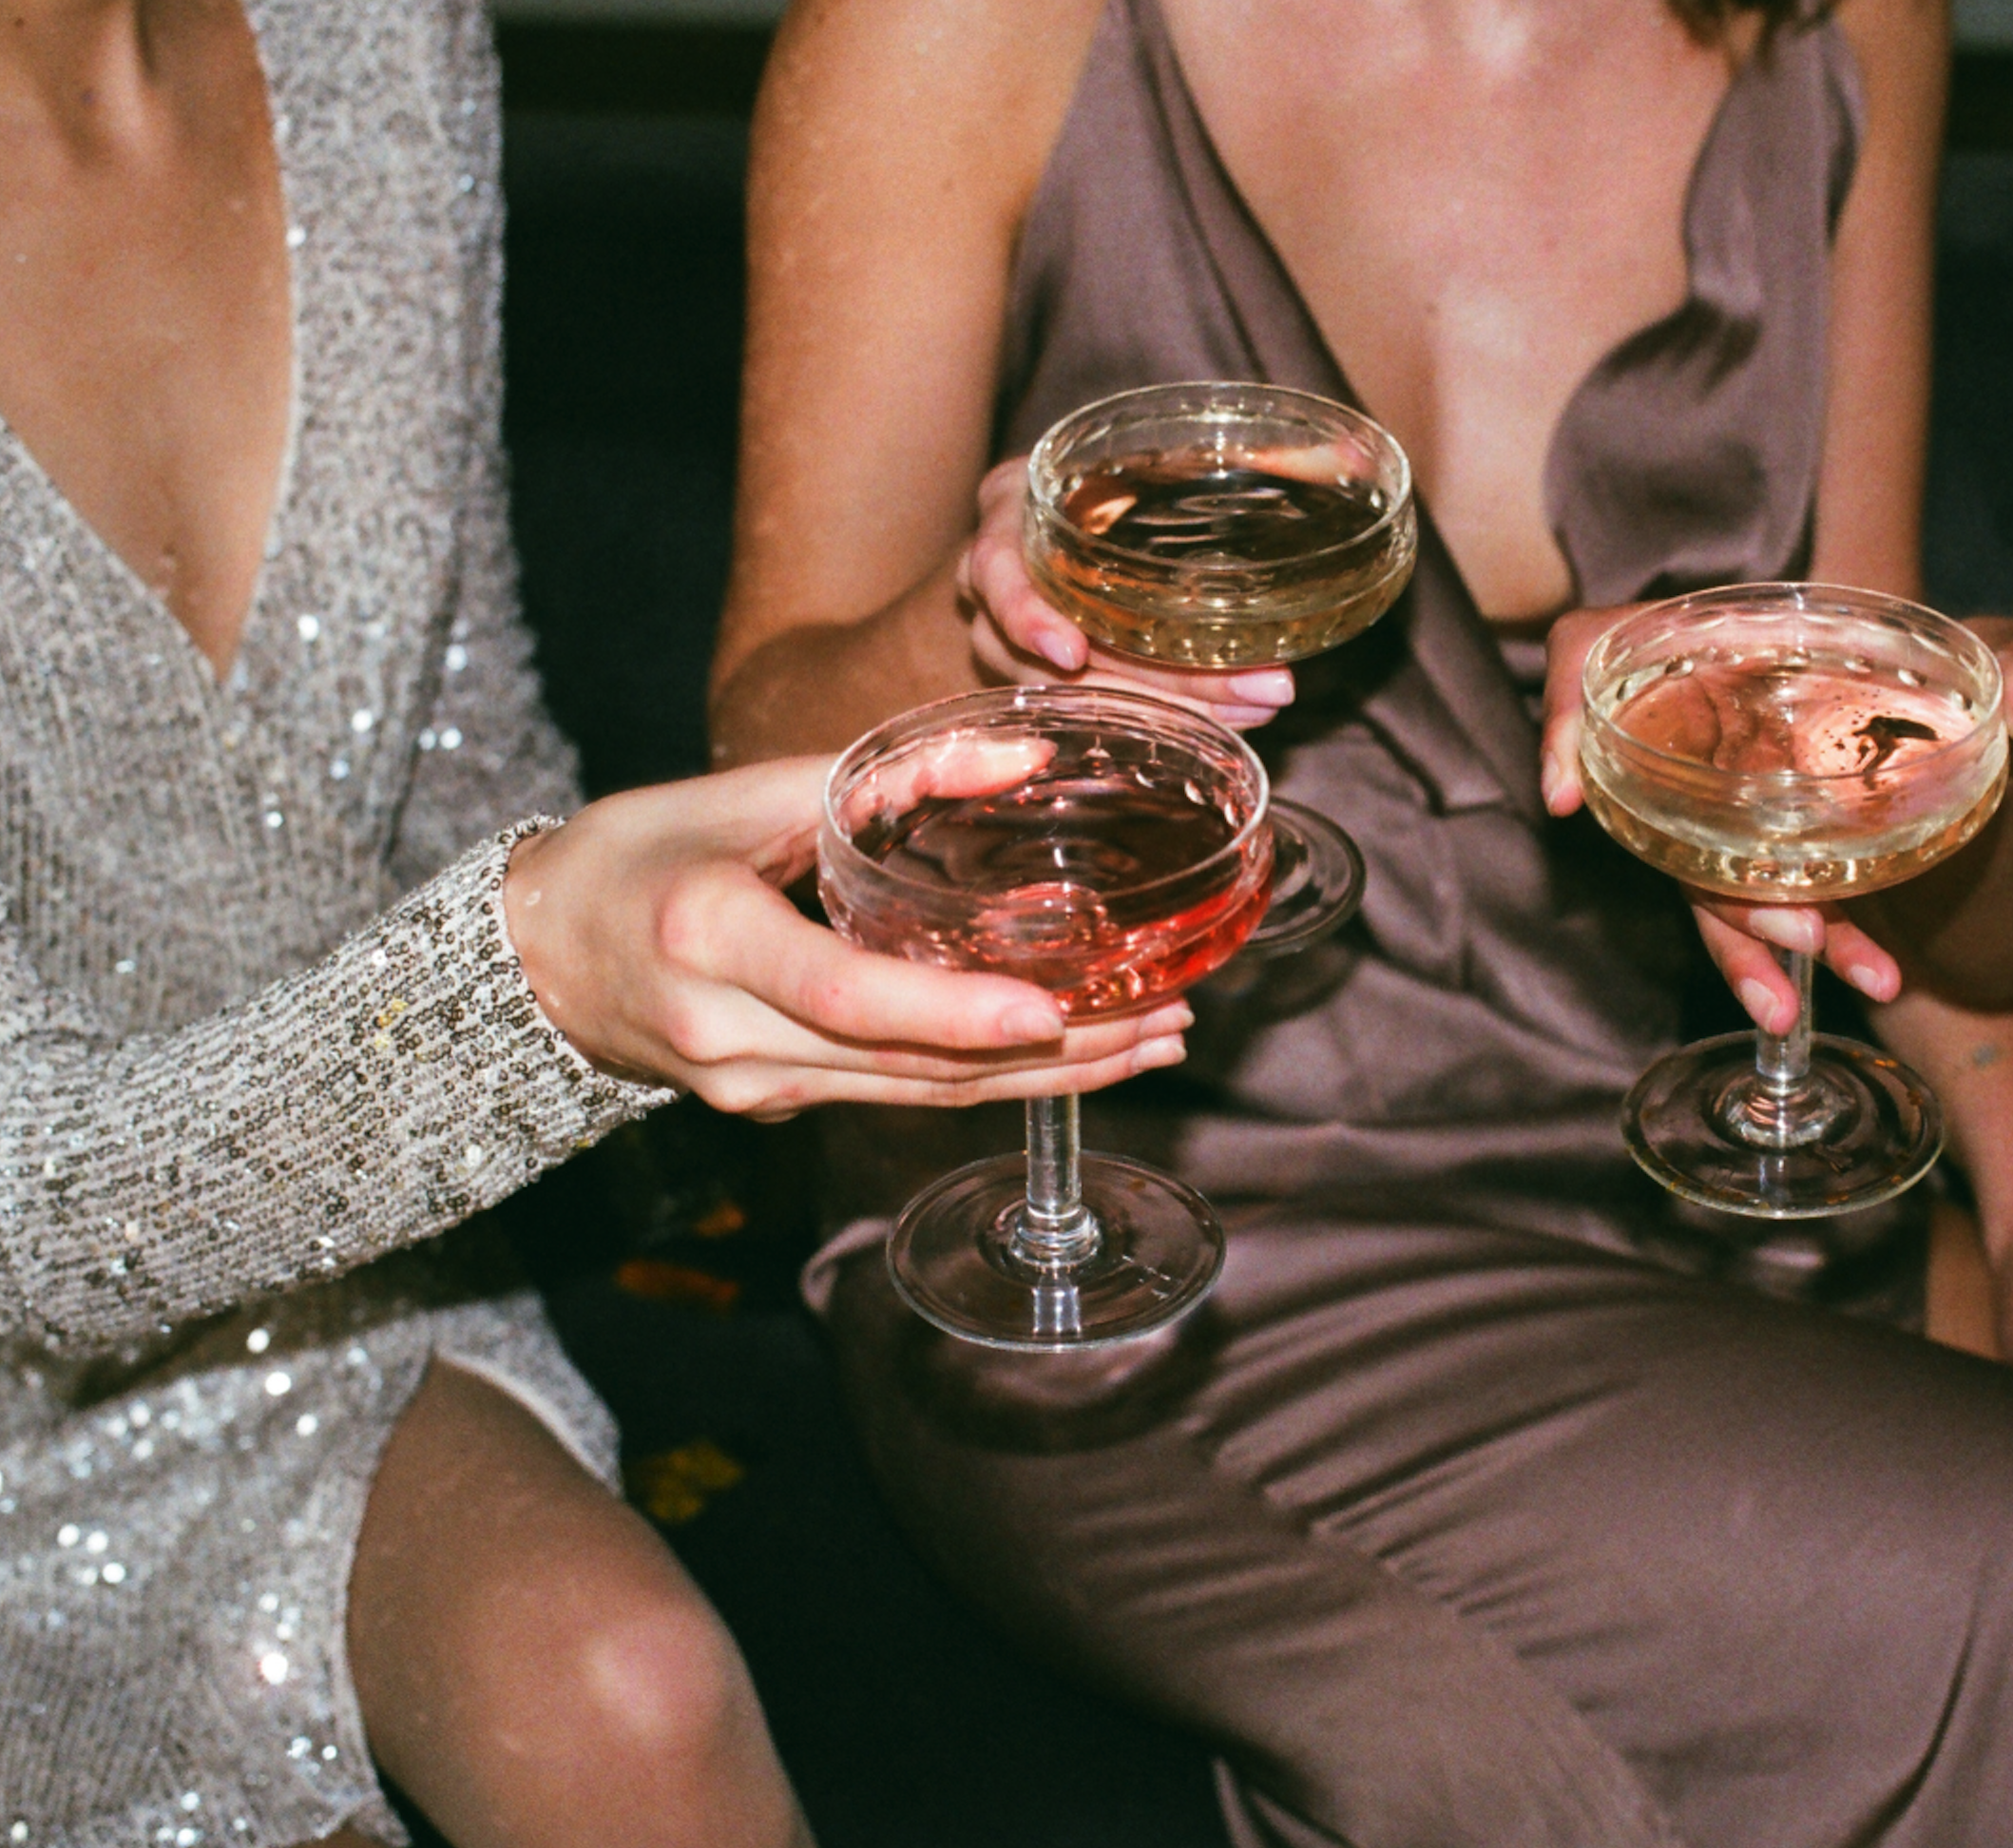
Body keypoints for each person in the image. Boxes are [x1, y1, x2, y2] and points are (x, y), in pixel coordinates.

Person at [710, 0, 2013, 1841]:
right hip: (1130, 1211)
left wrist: (1986, 1088)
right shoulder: (955, 32)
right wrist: (983, 635)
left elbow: (1875, 780)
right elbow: (760, 728)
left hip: (1689, 1143)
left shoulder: (1838, 20)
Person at [0, 2, 1195, 1845]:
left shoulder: (374, 32)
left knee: (633, 1694)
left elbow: (459, 715)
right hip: (77, 1244)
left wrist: (965, 675)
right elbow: (34, 1203)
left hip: (309, 1287)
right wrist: (531, 994)